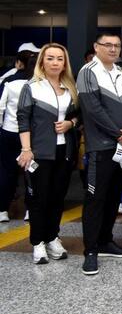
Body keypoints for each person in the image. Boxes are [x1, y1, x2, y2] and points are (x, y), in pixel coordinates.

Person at [77, 32, 122, 275]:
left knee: (113, 198)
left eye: (117, 45)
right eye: (108, 45)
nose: (113, 49)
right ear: (96, 47)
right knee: (95, 200)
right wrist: (118, 133)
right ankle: (90, 251)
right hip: (100, 147)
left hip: (121, 147)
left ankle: (105, 242)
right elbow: (93, 109)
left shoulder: (121, 73)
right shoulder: (88, 72)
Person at [16, 43, 79, 263]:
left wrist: (71, 123)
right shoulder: (32, 87)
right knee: (38, 199)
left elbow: (78, 115)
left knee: (57, 198)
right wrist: (26, 150)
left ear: (65, 63)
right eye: (50, 58)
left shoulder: (70, 87)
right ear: (42, 61)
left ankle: (52, 237)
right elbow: (23, 119)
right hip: (39, 152)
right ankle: (38, 242)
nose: (55, 62)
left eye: (60, 58)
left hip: (64, 151)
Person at [0, 49, 36, 223]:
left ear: (19, 63)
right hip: (31, 134)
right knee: (32, 171)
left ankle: (2, 210)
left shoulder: (8, 82)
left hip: (9, 132)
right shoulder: (36, 83)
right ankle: (30, 209)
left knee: (7, 172)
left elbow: (0, 107)